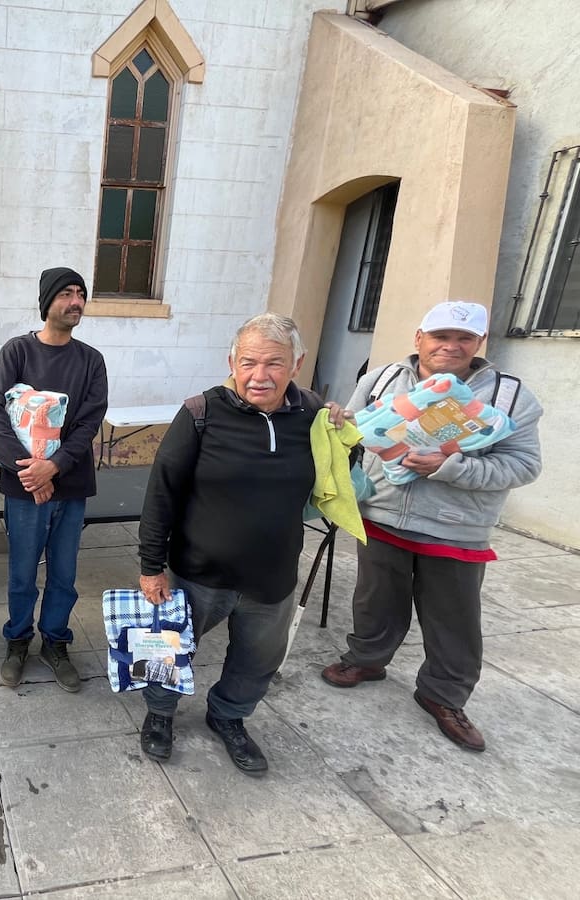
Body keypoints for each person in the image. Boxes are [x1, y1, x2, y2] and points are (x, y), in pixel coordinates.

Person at [321, 301, 543, 753]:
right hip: (381, 515)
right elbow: (353, 438)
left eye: (464, 338)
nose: (451, 346)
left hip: (455, 528)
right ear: (419, 338)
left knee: (453, 619)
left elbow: (523, 466)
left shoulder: (508, 396)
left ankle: (442, 695)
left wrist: (452, 466)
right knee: (374, 600)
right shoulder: (381, 380)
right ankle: (367, 660)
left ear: (480, 344)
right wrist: (337, 425)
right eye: (440, 336)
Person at [137, 313, 321, 776]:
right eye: (249, 362)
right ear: (232, 362)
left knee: (258, 658)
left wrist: (349, 432)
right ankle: (160, 712)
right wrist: (151, 564)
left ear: (296, 364)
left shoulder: (315, 416)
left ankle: (229, 716)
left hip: (271, 576)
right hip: (197, 571)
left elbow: (341, 475)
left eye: (274, 364)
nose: (260, 375)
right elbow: (162, 490)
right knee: (169, 649)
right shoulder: (202, 412)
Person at [0, 267, 108, 692]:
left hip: (69, 483)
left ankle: (56, 642)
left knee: (63, 573)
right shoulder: (17, 352)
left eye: (80, 294)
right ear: (47, 302)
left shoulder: (91, 360)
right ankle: (17, 640)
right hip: (23, 484)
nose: (75, 301)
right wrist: (31, 471)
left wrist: (53, 467)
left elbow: (90, 421)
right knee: (21, 571)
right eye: (66, 294)